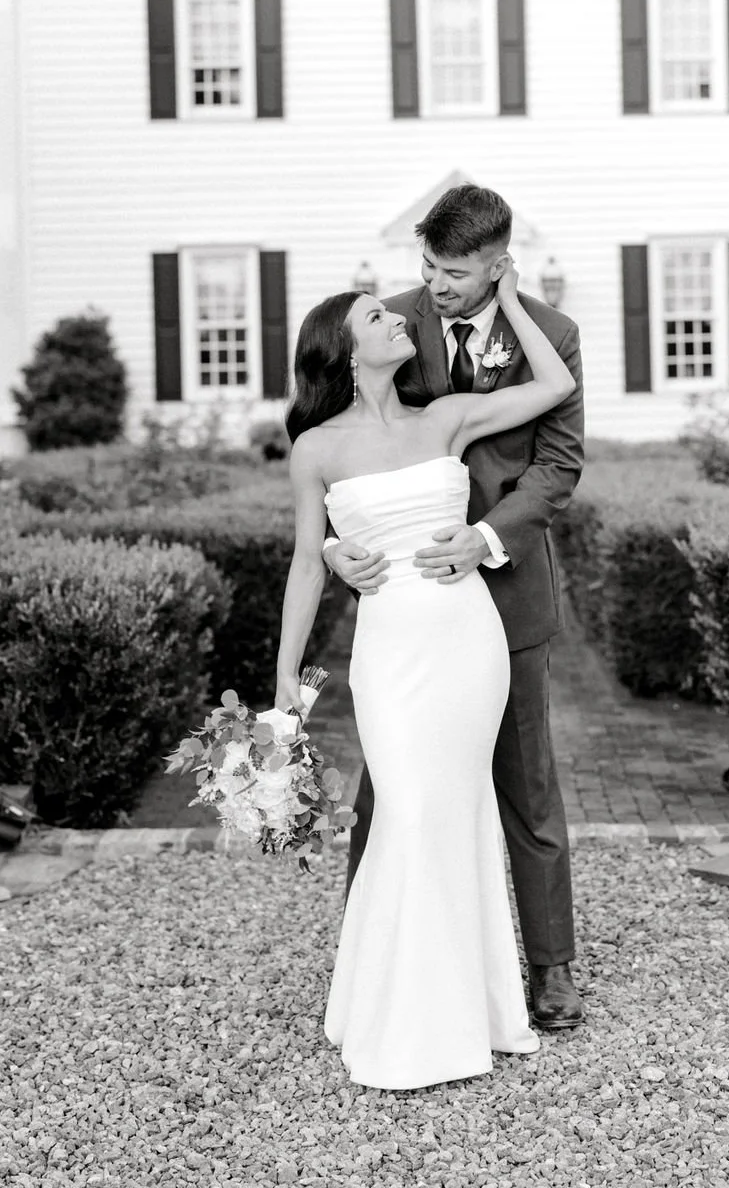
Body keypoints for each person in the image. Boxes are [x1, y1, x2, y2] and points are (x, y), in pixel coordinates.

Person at [274, 249, 576, 1091]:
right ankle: (395, 1008)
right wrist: (283, 684)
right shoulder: (315, 449)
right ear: (343, 349)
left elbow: (551, 388)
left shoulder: (442, 416)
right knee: (405, 810)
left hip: (467, 636)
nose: (399, 317)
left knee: (459, 810)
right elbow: (305, 563)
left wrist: (511, 296)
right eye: (376, 316)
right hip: (392, 647)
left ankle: (465, 1011)